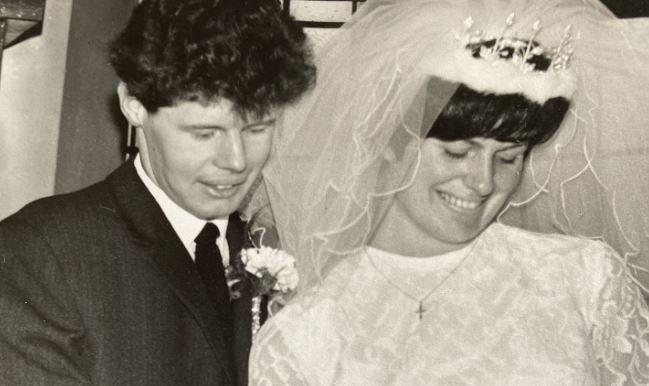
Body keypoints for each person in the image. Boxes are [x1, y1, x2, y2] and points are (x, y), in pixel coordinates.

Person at [248, 0, 649, 384]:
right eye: (458, 152)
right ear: (392, 140)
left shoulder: (585, 278)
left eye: (508, 158)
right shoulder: (307, 334)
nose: (483, 182)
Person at [0, 0, 314, 384]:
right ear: (134, 105)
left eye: (257, 129)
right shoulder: (39, 255)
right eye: (205, 133)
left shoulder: (274, 246)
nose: (236, 160)